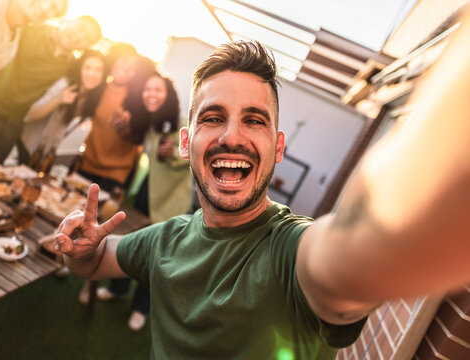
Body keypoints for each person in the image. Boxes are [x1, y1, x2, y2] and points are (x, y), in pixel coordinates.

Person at [56, 6, 470, 358]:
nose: (232, 136)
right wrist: (81, 252)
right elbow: (94, 261)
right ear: (186, 143)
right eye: (213, 118)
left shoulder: (291, 252)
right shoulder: (164, 240)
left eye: (254, 120)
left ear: (278, 147)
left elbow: (366, 246)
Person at [0, 13, 101, 176]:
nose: (79, 37)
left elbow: (86, 83)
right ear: (68, 21)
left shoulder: (70, 66)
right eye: (80, 29)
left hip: (12, 125)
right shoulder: (30, 31)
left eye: (86, 39)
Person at [96, 73, 193, 331]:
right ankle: (118, 289)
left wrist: (172, 153)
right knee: (129, 243)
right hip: (146, 192)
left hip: (171, 200)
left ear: (169, 95)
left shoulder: (182, 125)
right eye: (147, 89)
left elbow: (194, 155)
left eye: (157, 89)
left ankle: (141, 307)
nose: (151, 94)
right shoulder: (150, 124)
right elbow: (134, 138)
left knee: (155, 256)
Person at [75, 49, 157, 307]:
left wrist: (129, 128)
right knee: (73, 219)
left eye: (132, 66)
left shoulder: (138, 99)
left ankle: (90, 284)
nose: (125, 68)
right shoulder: (100, 87)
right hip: (86, 164)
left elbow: (140, 136)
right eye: (122, 61)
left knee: (99, 232)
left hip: (114, 175)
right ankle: (65, 260)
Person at [19, 49, 109, 164]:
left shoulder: (94, 99)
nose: (92, 74)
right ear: (80, 68)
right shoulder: (64, 85)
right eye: (87, 67)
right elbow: (29, 115)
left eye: (98, 70)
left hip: (50, 159)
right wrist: (58, 100)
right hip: (28, 150)